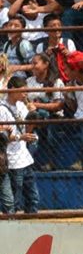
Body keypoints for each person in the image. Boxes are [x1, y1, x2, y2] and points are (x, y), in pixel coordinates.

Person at [0, 77, 39, 214]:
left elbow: (27, 130)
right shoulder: (2, 109)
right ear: (12, 90)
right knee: (14, 201)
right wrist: (20, 137)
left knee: (33, 198)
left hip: (25, 158)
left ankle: (32, 225)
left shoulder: (22, 106)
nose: (25, 94)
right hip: (12, 159)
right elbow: (3, 137)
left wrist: (33, 115)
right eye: (22, 91)